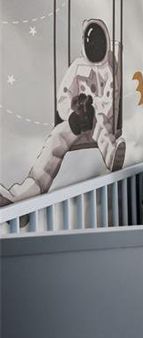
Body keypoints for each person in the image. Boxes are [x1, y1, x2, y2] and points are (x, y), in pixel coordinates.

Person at [0, 19, 125, 206]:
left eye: (99, 41)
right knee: (56, 137)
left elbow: (111, 99)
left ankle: (112, 155)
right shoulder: (77, 67)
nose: (94, 45)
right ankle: (23, 195)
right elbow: (64, 97)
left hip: (100, 121)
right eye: (90, 41)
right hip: (77, 122)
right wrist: (72, 114)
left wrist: (94, 110)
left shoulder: (110, 67)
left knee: (102, 124)